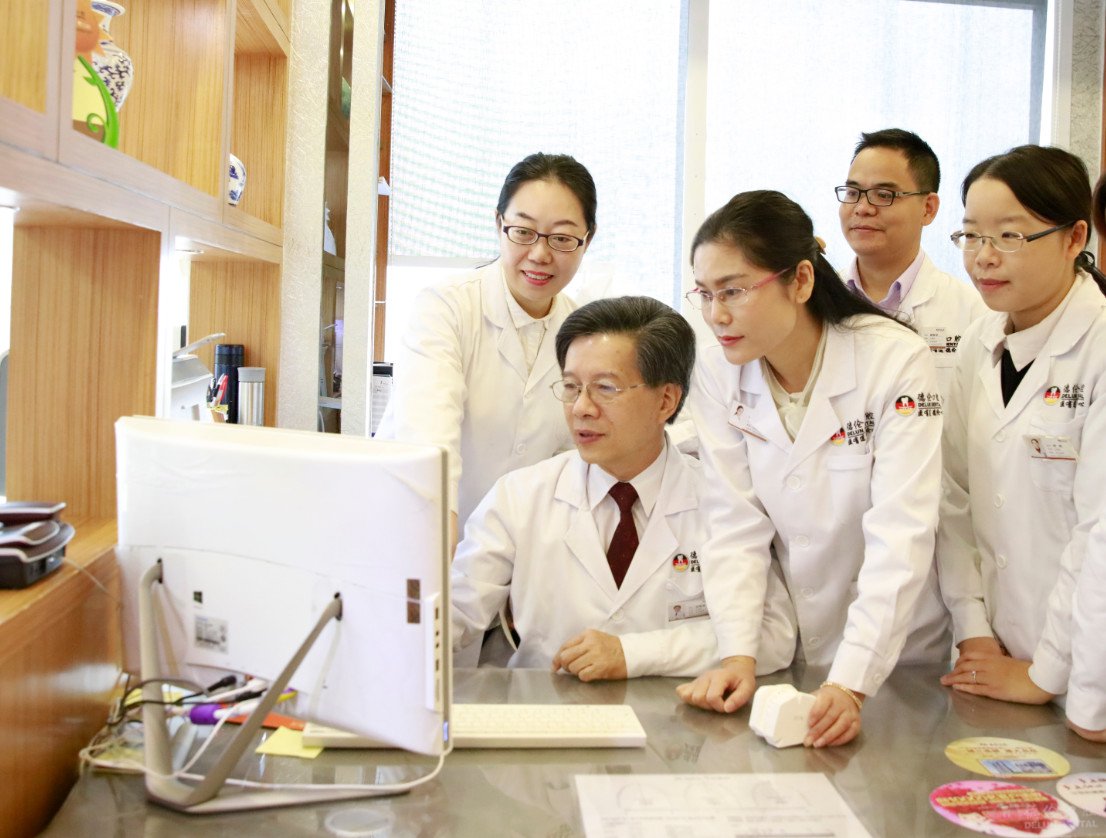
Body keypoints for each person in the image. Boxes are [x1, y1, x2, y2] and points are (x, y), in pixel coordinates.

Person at [678, 190, 950, 747]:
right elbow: (733, 522)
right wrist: (738, 653)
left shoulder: (894, 360)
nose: (715, 315)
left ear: (800, 280)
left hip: (901, 657)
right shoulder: (717, 369)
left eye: (733, 291)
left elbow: (901, 531)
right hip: (798, 647)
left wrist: (852, 682)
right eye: (705, 294)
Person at [450, 296, 797, 679]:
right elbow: (456, 611)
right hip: (546, 707)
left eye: (605, 388)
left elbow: (773, 634)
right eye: (571, 387)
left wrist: (634, 653)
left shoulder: (721, 499)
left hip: (677, 714)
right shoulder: (520, 497)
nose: (581, 407)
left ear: (666, 400)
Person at [938, 147, 1106, 743]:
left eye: (1009, 236)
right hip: (995, 664)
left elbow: (1099, 532)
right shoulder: (979, 340)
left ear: (1074, 238)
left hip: (1083, 668)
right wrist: (973, 630)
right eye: (971, 235)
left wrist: (1048, 672)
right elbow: (953, 495)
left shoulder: (1098, 349)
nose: (983, 256)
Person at [375, 152, 597, 546]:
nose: (540, 254)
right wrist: (436, 551)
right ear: (499, 225)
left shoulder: (584, 333)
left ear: (587, 240)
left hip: (515, 552)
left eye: (562, 239)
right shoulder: (445, 307)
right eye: (523, 232)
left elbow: (570, 460)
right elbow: (430, 439)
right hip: (416, 534)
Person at [837, 129, 986, 398]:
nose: (862, 207)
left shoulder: (974, 314)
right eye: (852, 192)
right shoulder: (813, 304)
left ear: (928, 208)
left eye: (884, 195)